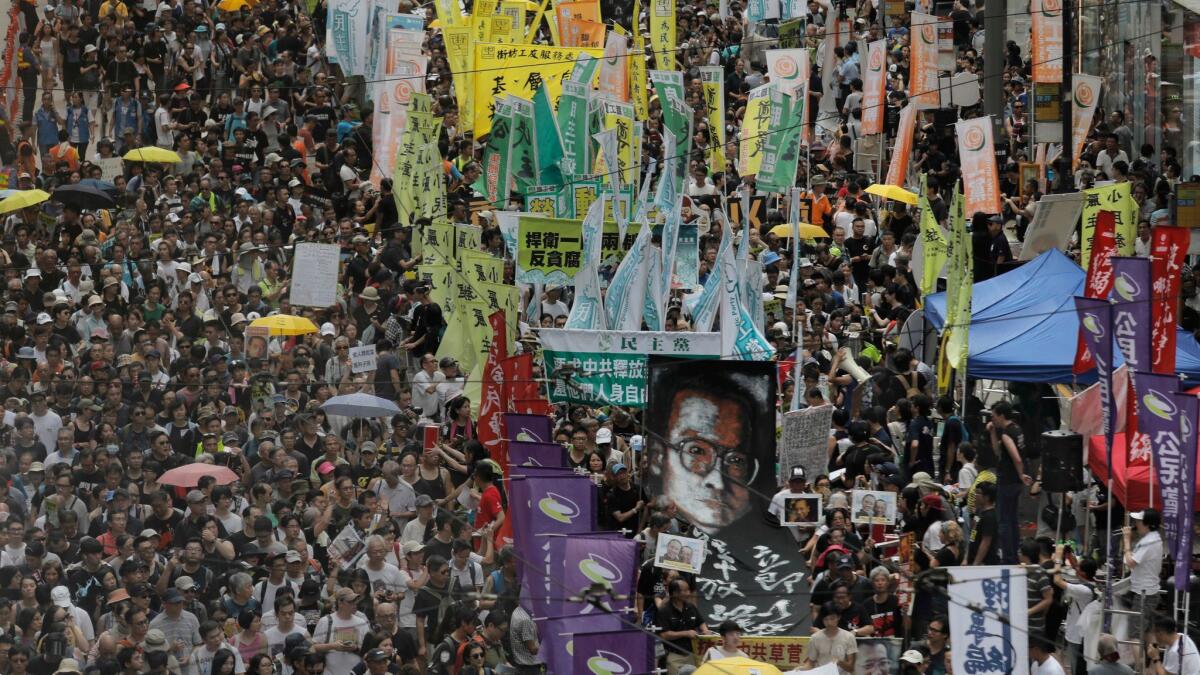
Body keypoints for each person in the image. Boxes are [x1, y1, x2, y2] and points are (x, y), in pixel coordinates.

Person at [1122, 508, 1164, 638]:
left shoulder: (1148, 542)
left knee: (1135, 634)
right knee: (1148, 631)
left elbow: (1131, 562)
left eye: (1139, 521)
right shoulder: (1154, 538)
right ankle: (1153, 659)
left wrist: (1126, 541)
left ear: (1147, 524)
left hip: (1144, 593)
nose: (1136, 524)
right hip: (1150, 591)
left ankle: (1139, 659)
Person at [657, 579, 708, 674]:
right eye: (685, 590)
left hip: (692, 654)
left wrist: (705, 630)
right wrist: (686, 633)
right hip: (674, 655)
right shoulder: (664, 611)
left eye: (688, 590)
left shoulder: (691, 607)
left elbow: (700, 622)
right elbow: (664, 635)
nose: (688, 593)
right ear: (675, 593)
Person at [804, 602, 856, 674]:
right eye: (826, 619)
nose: (829, 622)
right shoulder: (815, 638)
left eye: (832, 619)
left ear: (838, 617)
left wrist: (840, 662)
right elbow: (810, 663)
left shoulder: (848, 637)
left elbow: (851, 668)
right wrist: (801, 670)